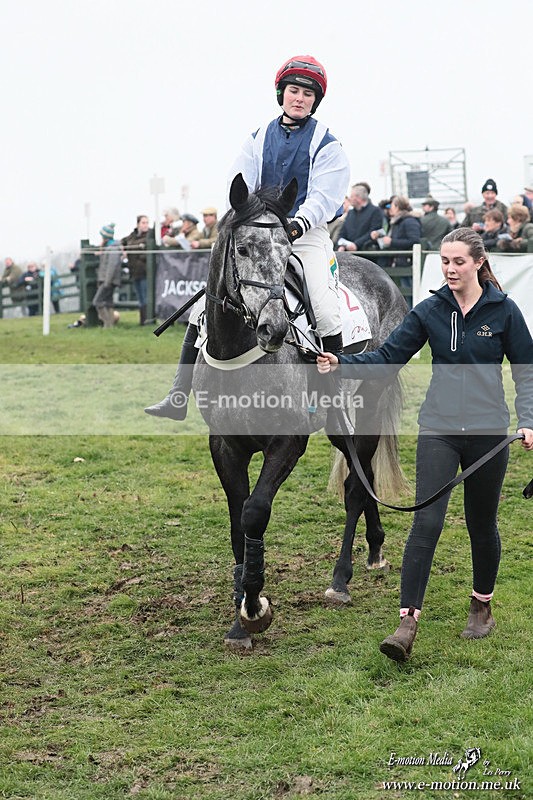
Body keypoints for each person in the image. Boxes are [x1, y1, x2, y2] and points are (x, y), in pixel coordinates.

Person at [317, 227, 533, 663]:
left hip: (490, 434)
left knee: (481, 522)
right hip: (438, 428)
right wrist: (343, 363)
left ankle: (481, 605)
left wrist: (528, 419)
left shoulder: (504, 311)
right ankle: (407, 621)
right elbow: (387, 357)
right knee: (426, 523)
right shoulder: (431, 310)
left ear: (478, 262)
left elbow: (525, 370)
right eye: (445, 262)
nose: (450, 270)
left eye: (458, 262)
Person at [145, 54, 350, 421]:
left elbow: (326, 195)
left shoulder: (328, 144)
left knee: (325, 306)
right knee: (200, 308)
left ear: (315, 100)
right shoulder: (258, 138)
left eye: (307, 93)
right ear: (281, 93)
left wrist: (298, 223)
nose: (299, 98)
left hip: (304, 234)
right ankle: (178, 395)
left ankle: (332, 399)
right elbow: (237, 182)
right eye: (293, 90)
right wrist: (245, 220)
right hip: (259, 234)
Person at [336, 183, 384, 252]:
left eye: (352, 196)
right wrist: (342, 245)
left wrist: (356, 244)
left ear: (359, 198)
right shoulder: (350, 213)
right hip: (348, 254)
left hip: (367, 254)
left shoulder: (375, 211)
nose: (350, 198)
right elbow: (342, 232)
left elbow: (373, 232)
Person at [92, 223, 122, 328]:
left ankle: (107, 323)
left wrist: (107, 281)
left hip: (108, 280)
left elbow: (112, 266)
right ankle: (110, 326)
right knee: (108, 302)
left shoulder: (112, 248)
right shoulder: (109, 247)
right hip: (109, 280)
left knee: (97, 301)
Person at [121, 214, 150, 324]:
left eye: (147, 222)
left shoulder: (149, 236)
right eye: (143, 222)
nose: (145, 225)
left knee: (145, 296)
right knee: (140, 298)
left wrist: (139, 258)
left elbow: (146, 252)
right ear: (138, 224)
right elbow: (123, 241)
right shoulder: (132, 236)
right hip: (134, 272)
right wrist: (123, 249)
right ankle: (142, 320)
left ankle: (147, 320)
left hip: (144, 271)